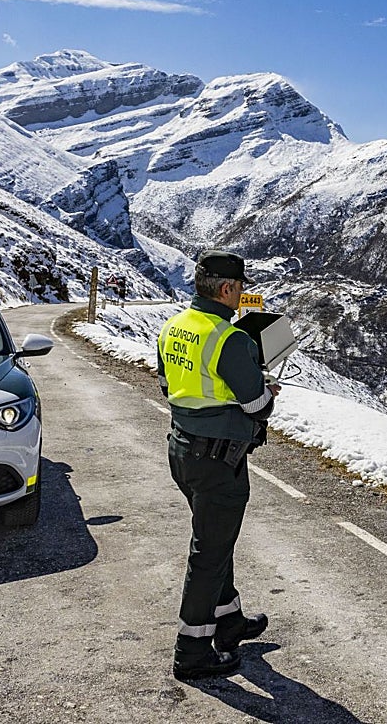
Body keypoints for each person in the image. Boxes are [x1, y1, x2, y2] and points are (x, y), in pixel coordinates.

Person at [157, 249, 280, 681]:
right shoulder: (231, 340)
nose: (242, 293)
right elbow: (257, 405)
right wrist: (267, 390)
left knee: (216, 539)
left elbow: (167, 384)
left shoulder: (173, 327)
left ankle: (229, 622)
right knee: (208, 553)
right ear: (227, 289)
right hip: (218, 462)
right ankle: (192, 651)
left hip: (182, 450)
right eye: (240, 287)